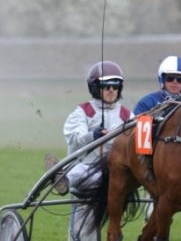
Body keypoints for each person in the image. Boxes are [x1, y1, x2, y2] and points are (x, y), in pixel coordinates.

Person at [46, 60, 132, 194]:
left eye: (115, 85)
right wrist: (94, 135)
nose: (111, 90)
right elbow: (75, 139)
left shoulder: (127, 115)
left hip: (115, 171)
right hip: (86, 168)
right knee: (82, 171)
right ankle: (62, 179)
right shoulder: (82, 111)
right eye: (106, 85)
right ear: (95, 87)